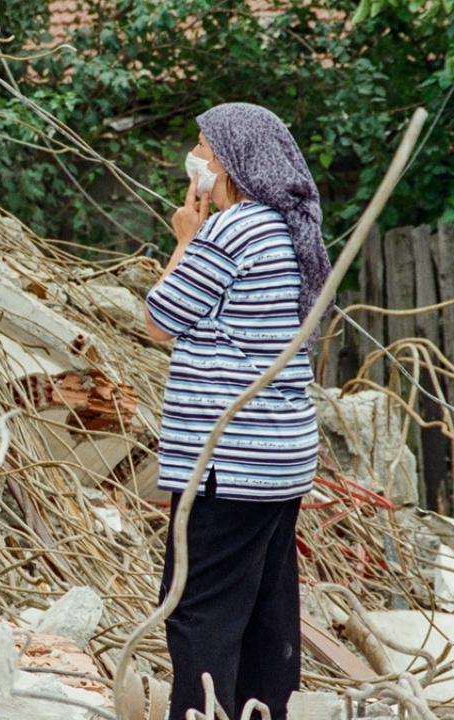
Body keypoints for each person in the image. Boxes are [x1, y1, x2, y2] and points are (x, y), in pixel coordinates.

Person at [142, 102, 333, 719]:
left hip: (226, 460)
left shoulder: (234, 228)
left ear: (225, 161)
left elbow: (159, 321)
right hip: (279, 456)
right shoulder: (288, 227)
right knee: (264, 609)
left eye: (202, 146)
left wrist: (184, 242)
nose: (193, 158)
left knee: (199, 609)